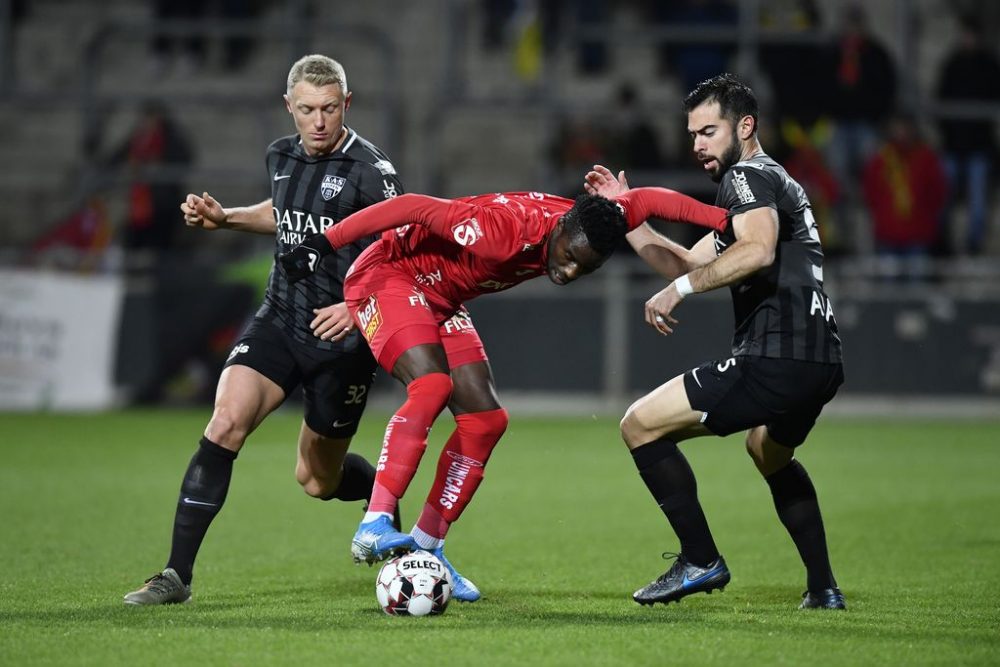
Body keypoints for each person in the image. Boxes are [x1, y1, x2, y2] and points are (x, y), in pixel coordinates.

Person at [278, 183, 730, 602]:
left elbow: (649, 200)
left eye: (585, 268)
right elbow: (411, 206)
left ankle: (426, 548)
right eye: (569, 256)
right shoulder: (501, 233)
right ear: (561, 228)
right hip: (389, 276)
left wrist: (725, 219)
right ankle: (375, 521)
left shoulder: (596, 219)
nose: (569, 271)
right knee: (432, 385)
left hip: (440, 298)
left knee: (486, 421)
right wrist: (323, 244)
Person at [124, 54, 405, 605]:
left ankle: (382, 496)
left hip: (342, 338)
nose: (318, 121)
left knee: (316, 480)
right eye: (306, 110)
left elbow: (404, 247)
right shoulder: (280, 154)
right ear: (289, 108)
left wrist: (358, 306)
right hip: (279, 317)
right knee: (226, 421)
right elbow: (283, 214)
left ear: (346, 105)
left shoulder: (372, 171)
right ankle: (175, 575)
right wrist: (226, 217)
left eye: (328, 109)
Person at [585, 73, 845, 610]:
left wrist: (677, 292)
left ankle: (700, 559)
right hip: (820, 361)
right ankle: (823, 589)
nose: (698, 144)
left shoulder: (746, 176)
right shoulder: (770, 186)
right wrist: (626, 211)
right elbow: (686, 259)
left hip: (774, 355)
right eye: (693, 133)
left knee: (639, 424)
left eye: (709, 131)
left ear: (745, 126)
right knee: (767, 452)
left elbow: (758, 252)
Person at [934, 16, 1000, 256]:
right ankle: (941, 242)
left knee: (978, 201)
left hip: (980, 147)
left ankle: (974, 244)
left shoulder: (990, 66)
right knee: (942, 195)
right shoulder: (952, 65)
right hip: (953, 145)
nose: (969, 40)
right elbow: (940, 101)